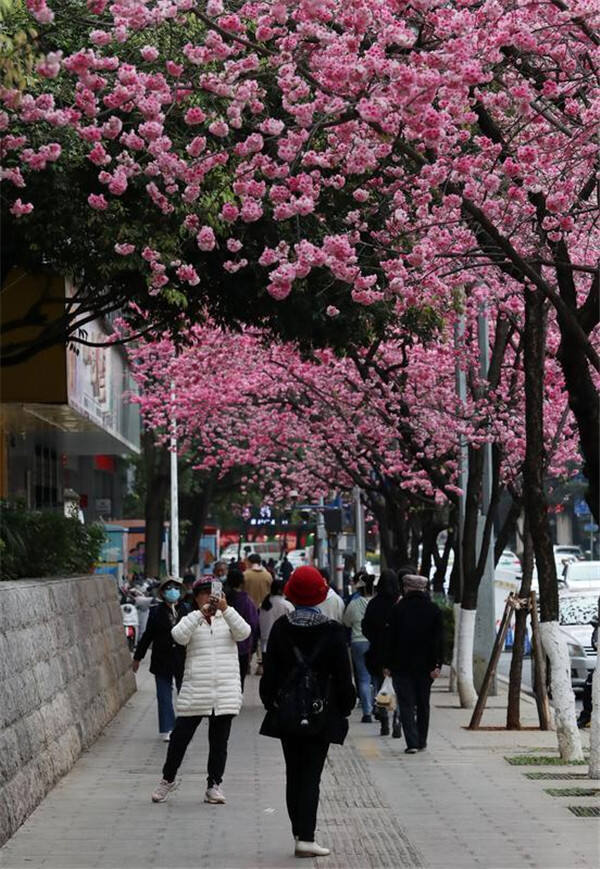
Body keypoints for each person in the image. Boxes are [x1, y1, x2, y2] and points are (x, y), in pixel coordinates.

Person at [259, 566, 355, 859]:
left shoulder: (280, 629)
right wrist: (346, 707)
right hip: (321, 713)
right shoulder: (334, 631)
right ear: (320, 594)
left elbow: (270, 673)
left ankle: (298, 831)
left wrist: (270, 701)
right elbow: (343, 677)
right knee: (312, 774)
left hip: (288, 713)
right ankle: (307, 837)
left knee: (294, 771)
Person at [150, 576, 251, 805]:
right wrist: (199, 615)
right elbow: (178, 636)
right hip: (196, 689)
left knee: (219, 741)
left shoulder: (229, 618)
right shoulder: (191, 619)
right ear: (196, 598)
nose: (210, 597)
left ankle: (214, 784)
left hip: (224, 691)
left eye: (213, 593)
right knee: (179, 738)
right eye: (204, 593)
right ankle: (168, 779)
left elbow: (244, 633)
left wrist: (226, 610)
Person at [384, 574, 443, 753]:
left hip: (401, 666)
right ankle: (422, 740)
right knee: (423, 703)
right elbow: (439, 640)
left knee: (406, 703)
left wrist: (387, 664)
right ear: (424, 589)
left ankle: (412, 742)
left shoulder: (397, 609)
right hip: (425, 667)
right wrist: (437, 665)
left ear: (406, 588)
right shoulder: (434, 610)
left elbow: (390, 639)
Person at [133, 576, 188, 741]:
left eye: (176, 588)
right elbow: (147, 636)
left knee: (185, 695)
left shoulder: (187, 610)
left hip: (183, 659)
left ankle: (184, 727)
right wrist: (137, 658)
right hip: (161, 659)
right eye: (169, 588)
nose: (173, 591)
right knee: (164, 696)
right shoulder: (156, 612)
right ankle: (167, 728)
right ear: (163, 592)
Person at [361, 568, 401, 736]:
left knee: (380, 685)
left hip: (378, 651)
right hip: (398, 652)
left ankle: (384, 717)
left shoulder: (374, 603)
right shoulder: (399, 603)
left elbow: (365, 627)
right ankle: (397, 718)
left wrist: (375, 637)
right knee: (398, 687)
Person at [343, 574, 375, 722]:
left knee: (362, 677)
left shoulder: (354, 603)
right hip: (375, 642)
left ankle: (367, 712)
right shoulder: (376, 603)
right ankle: (378, 706)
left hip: (358, 641)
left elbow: (346, 622)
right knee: (375, 677)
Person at [224, 568, 259, 689]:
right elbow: (253, 624)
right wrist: (253, 645)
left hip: (223, 646)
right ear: (241, 583)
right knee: (239, 680)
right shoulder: (246, 602)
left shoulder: (222, 600)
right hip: (242, 647)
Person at [243, 554, 273, 674]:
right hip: (264, 610)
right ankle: (261, 665)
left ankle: (248, 664)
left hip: (248, 611)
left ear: (250, 562)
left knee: (248, 636)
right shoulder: (268, 576)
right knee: (262, 638)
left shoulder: (245, 575)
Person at [259, 579, 294, 662]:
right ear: (280, 590)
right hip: (282, 645)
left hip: (265, 646)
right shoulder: (287, 605)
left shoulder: (263, 605)